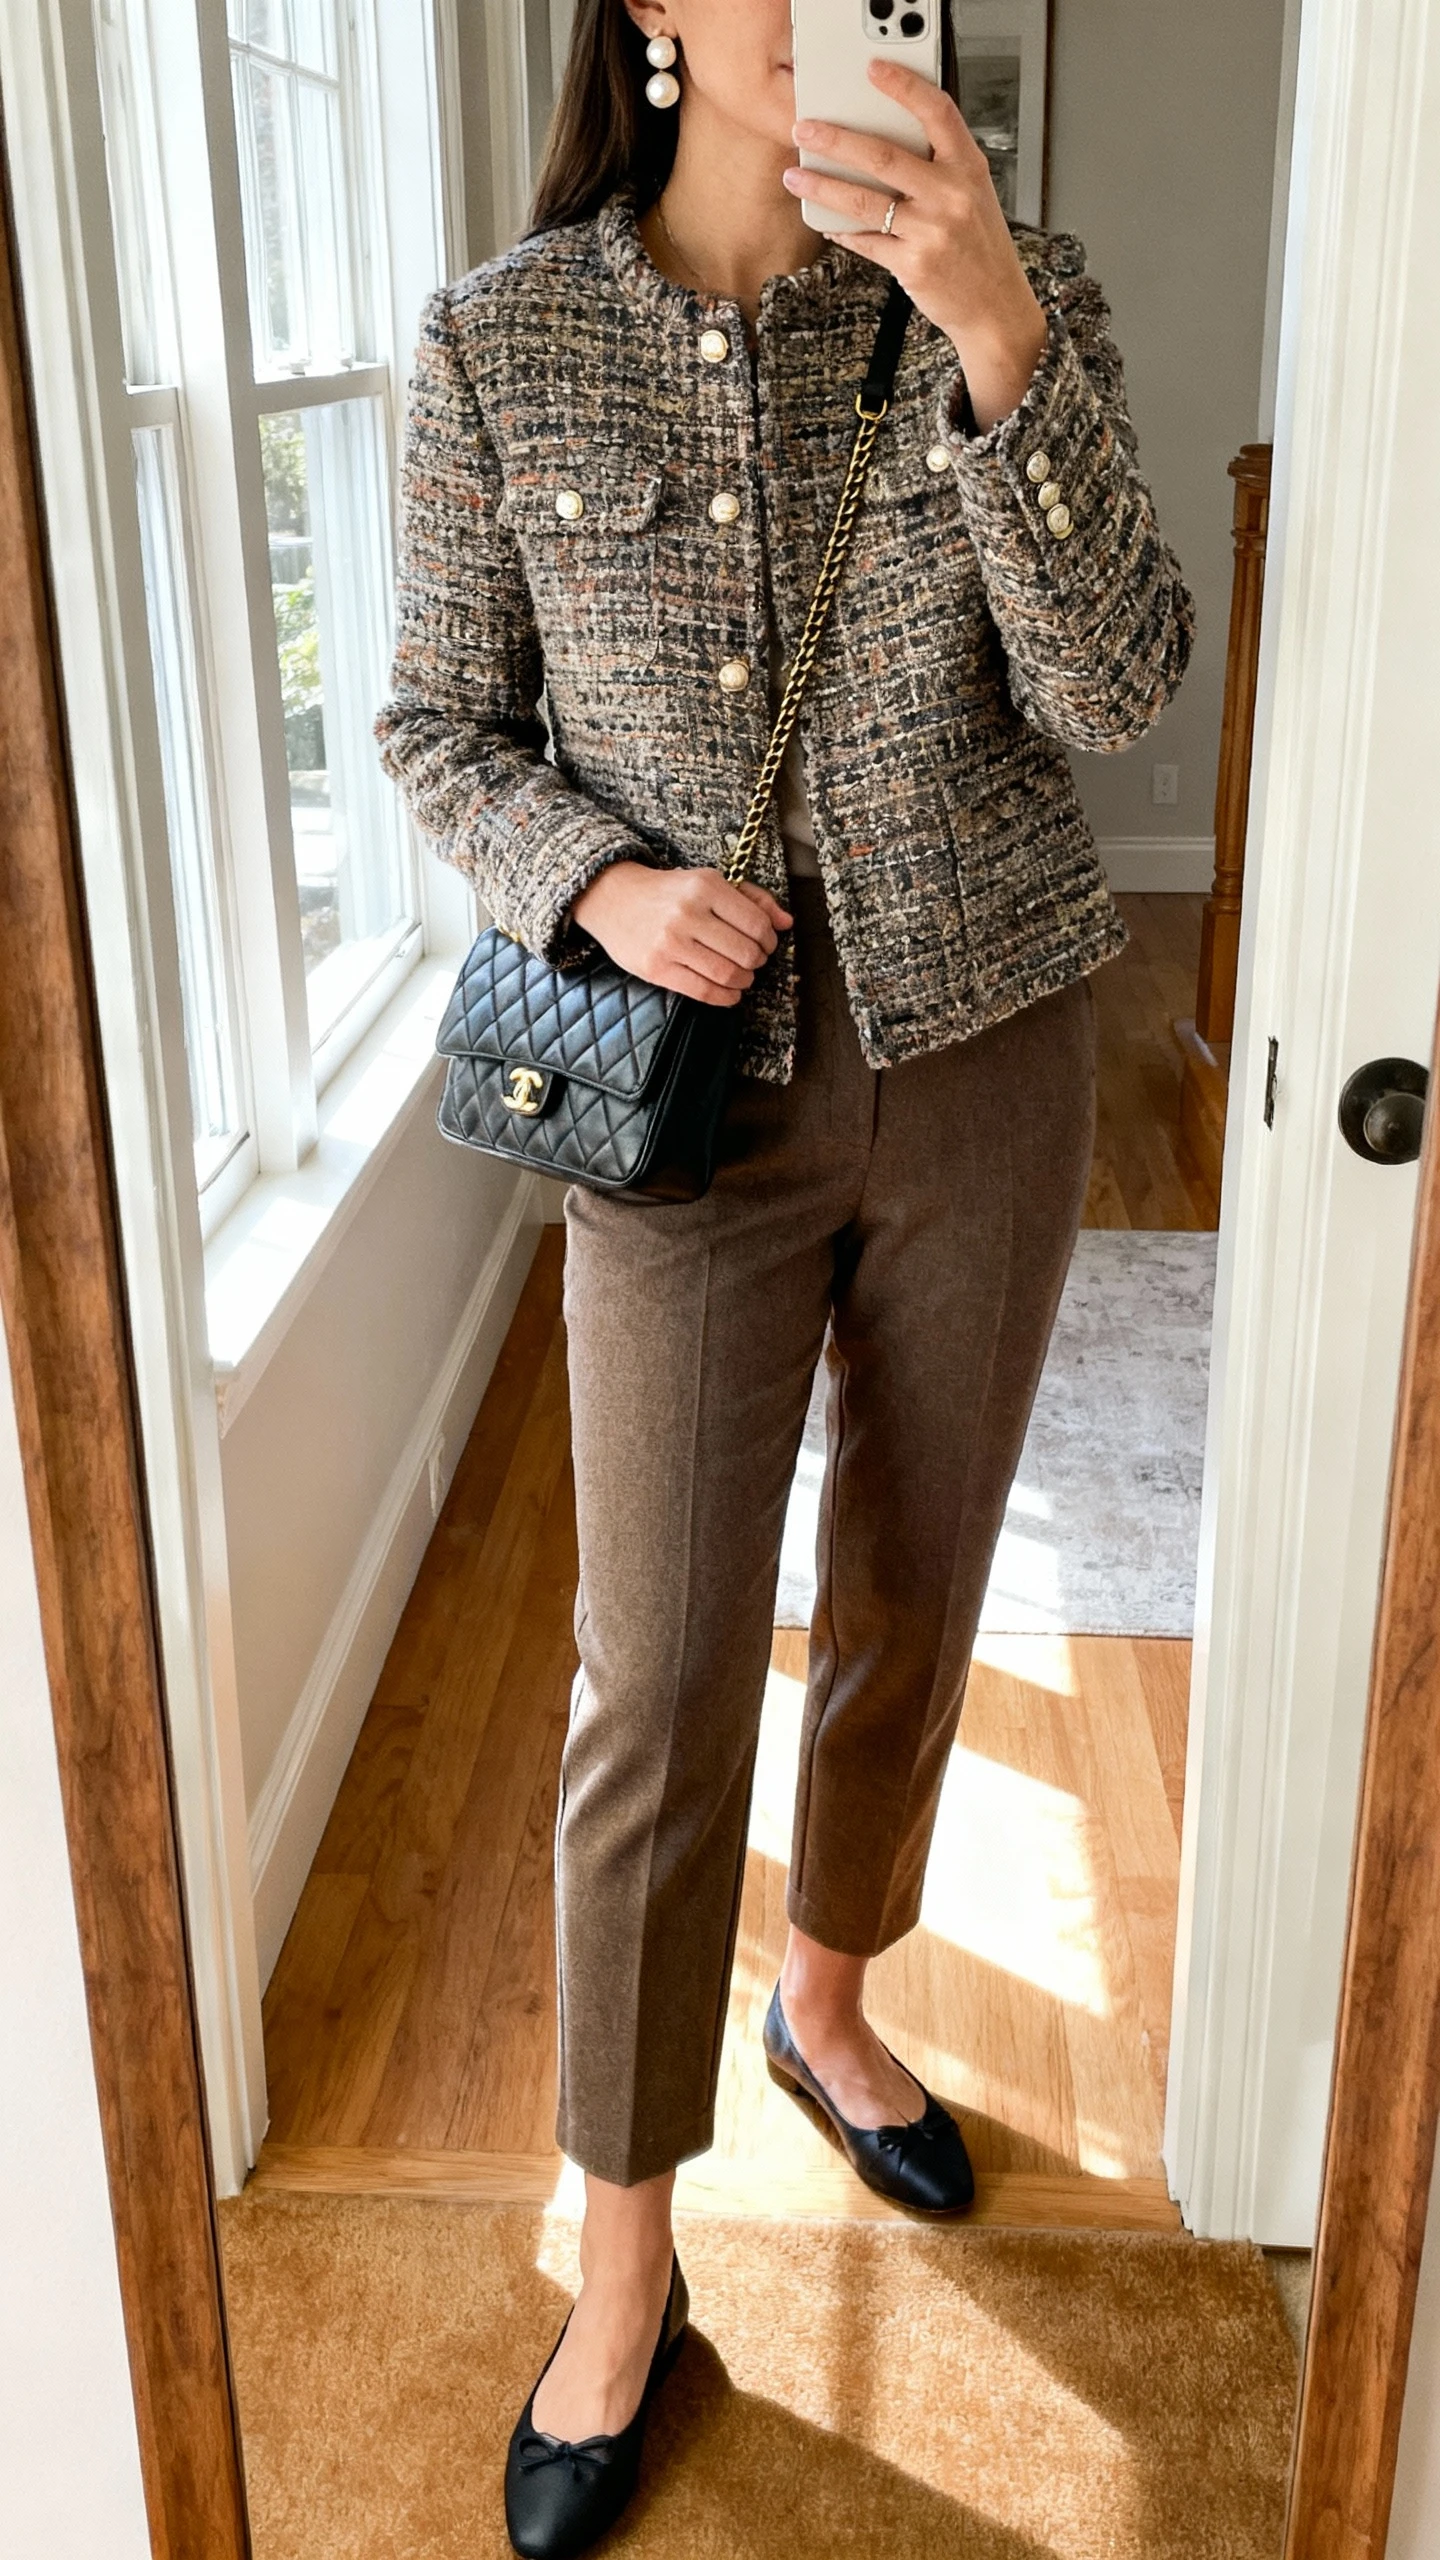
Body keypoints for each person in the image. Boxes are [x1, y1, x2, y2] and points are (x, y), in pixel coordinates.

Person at [376, 2, 1193, 2549]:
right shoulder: (501, 344)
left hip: (989, 1056)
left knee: (920, 1591)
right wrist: (601, 883)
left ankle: (831, 1994)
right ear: (646, 15)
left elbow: (1123, 683)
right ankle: (624, 2261)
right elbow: (430, 722)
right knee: (655, 1672)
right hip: (678, 1107)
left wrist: (998, 348)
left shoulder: (1002, 285)